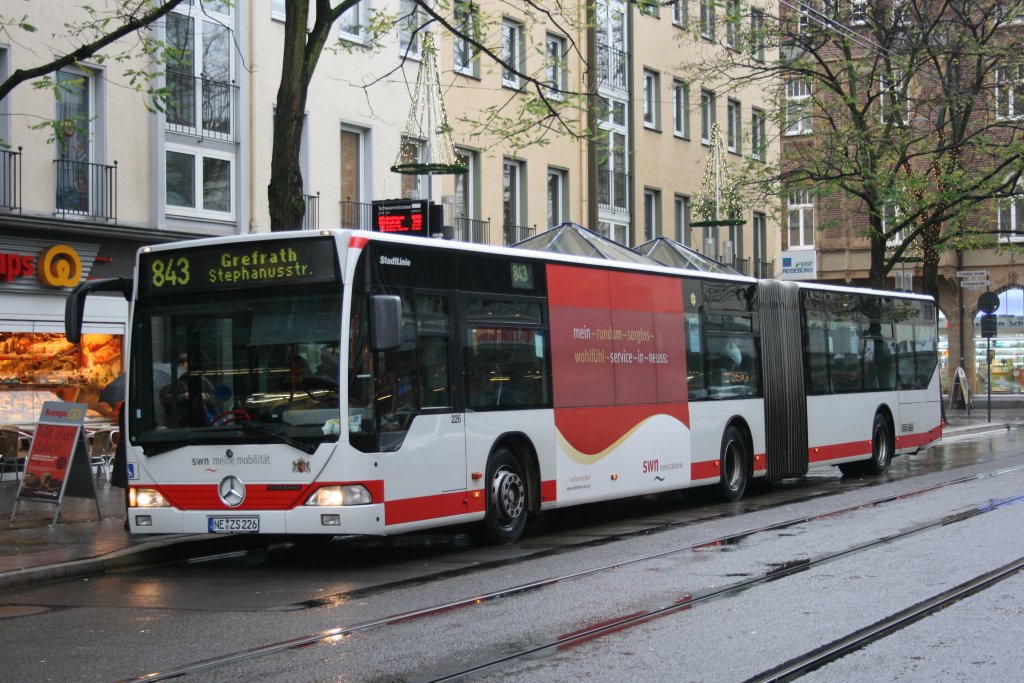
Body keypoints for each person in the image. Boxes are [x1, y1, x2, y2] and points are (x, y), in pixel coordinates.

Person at [160, 353, 216, 425]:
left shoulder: (201, 380)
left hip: (199, 420)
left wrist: (205, 397)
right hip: (178, 423)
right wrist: (185, 396)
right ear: (180, 365)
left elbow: (213, 397)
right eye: (189, 363)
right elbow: (163, 398)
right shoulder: (171, 379)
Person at [109, 401, 130, 530]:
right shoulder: (130, 405)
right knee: (130, 485)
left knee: (129, 487)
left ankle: (130, 516)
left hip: (125, 449)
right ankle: (130, 516)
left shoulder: (125, 405)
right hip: (129, 450)